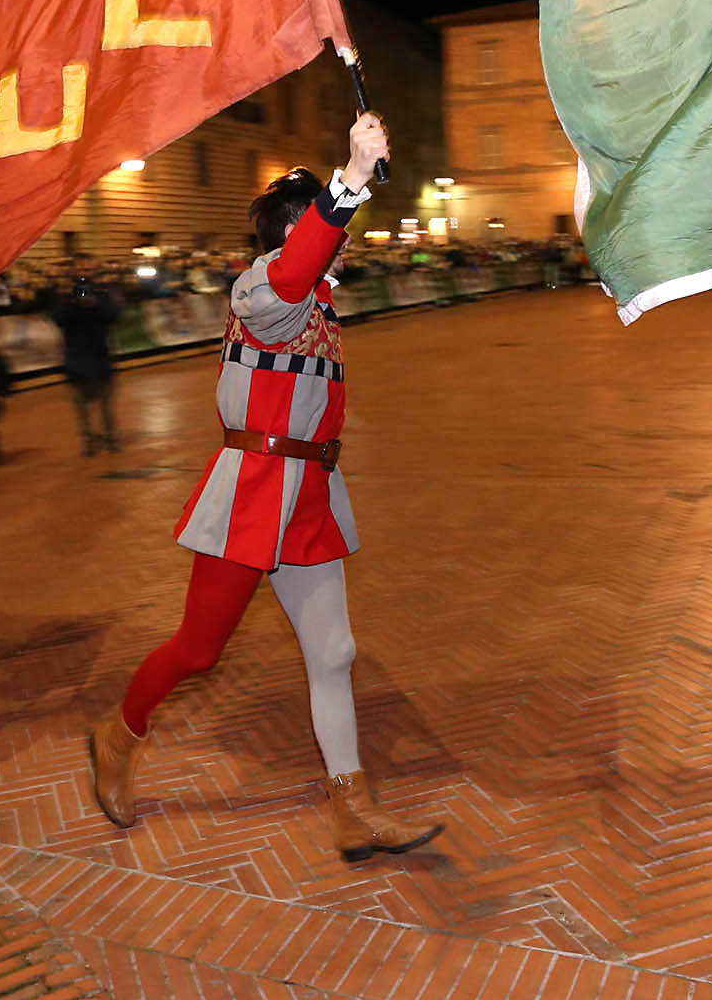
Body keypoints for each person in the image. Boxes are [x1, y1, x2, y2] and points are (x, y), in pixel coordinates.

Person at [85, 112, 445, 862]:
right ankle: (118, 735)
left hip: (309, 491)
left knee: (334, 653)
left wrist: (350, 188)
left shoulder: (317, 299)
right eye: (328, 224)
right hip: (252, 489)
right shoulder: (265, 289)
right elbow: (290, 275)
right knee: (198, 650)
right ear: (296, 229)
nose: (345, 236)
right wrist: (349, 181)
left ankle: (353, 806)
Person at [52, 268, 125, 453]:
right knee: (81, 405)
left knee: (106, 402)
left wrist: (96, 304)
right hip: (76, 360)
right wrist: (71, 303)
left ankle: (110, 436)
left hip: (99, 357)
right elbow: (58, 319)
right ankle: (89, 439)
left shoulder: (101, 295)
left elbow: (114, 315)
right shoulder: (66, 300)